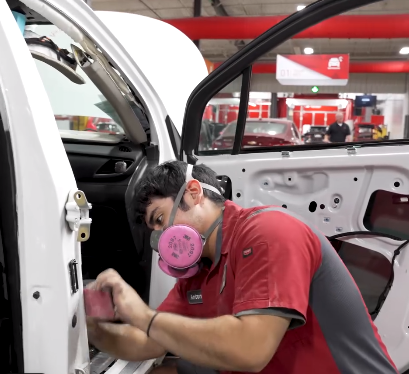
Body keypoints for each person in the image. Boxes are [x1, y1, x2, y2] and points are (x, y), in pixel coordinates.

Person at [86, 161, 398, 374]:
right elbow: (148, 340)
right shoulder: (199, 275)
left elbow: (251, 348)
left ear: (193, 193)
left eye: (160, 219)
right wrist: (90, 327)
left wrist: (142, 314)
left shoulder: (269, 232)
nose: (160, 239)